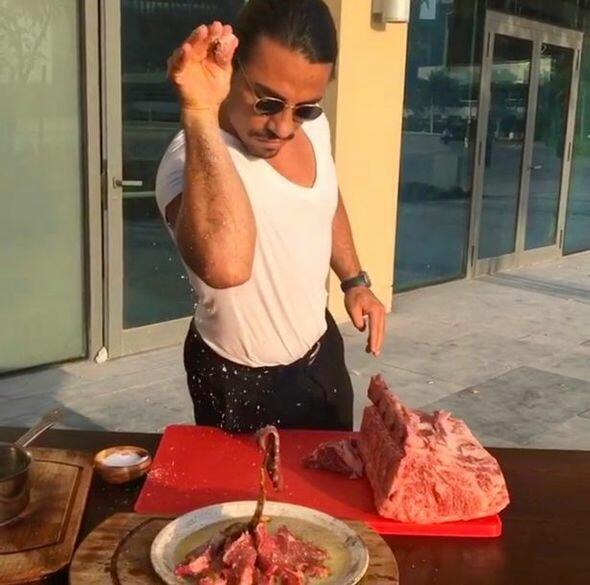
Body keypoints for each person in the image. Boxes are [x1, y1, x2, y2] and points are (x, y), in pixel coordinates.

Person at [155, 0, 386, 433]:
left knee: (332, 473)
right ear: (230, 66)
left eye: (305, 107)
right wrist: (199, 112)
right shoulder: (188, 161)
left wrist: (354, 280)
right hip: (235, 382)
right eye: (267, 102)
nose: (284, 127)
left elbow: (325, 197)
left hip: (320, 357)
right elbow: (226, 265)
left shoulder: (312, 127)